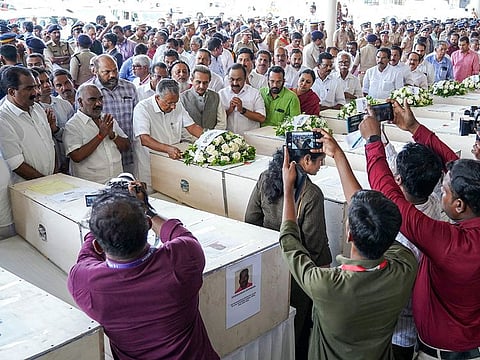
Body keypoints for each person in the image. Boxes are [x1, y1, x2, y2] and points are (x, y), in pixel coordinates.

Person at [359, 99, 480, 358]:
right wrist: (414, 127)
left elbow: (392, 198)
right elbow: (453, 167)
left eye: (445, 191)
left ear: (459, 205)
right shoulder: (467, 215)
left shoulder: (453, 243)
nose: (441, 192)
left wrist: (372, 142)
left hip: (444, 352)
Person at [279, 134, 417, 359]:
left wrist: (288, 190)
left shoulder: (327, 285)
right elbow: (376, 223)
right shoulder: (405, 266)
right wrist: (339, 155)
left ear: (350, 234)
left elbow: (289, 242)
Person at [67, 187, 220, 360]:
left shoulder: (84, 284)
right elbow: (177, 232)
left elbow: (86, 258)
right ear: (147, 225)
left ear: (99, 246)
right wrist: (145, 207)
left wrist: (99, 228)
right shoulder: (184, 257)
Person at [245, 147, 331, 360]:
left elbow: (250, 219)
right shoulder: (311, 194)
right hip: (298, 274)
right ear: (307, 159)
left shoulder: (266, 178)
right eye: (320, 160)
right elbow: (315, 247)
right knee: (298, 329)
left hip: (268, 264)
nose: (322, 165)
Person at [388, 142, 444, 360]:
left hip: (400, 322)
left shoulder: (398, 226)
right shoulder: (436, 203)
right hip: (426, 317)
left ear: (398, 179)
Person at [133, 79, 203, 190]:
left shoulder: (176, 104)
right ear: (157, 97)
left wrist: (211, 139)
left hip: (171, 165)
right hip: (149, 166)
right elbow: (144, 139)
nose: (173, 107)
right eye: (169, 103)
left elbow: (193, 127)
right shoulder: (143, 108)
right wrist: (167, 149)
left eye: (175, 102)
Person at [63, 84, 129, 184]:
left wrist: (112, 135)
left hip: (117, 182)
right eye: (92, 100)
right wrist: (100, 135)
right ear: (80, 102)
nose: (98, 103)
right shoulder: (72, 125)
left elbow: (126, 146)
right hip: (91, 186)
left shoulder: (107, 119)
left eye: (100, 99)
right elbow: (76, 156)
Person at [0, 66, 56, 183]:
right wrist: (46, 183)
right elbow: (16, 164)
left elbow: (50, 143)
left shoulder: (37, 108)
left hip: (49, 183)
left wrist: (53, 177)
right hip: (27, 188)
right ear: (11, 92)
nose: (36, 92)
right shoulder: (3, 119)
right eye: (29, 88)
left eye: (36, 86)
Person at [93, 54, 138, 173]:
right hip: (105, 158)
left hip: (130, 154)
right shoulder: (89, 92)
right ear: (95, 71)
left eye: (115, 71)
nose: (112, 75)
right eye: (106, 72)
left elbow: (137, 120)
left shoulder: (130, 88)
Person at [218, 63, 265, 136]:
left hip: (251, 139)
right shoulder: (221, 94)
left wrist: (242, 110)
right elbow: (216, 120)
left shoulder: (255, 93)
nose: (235, 83)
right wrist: (230, 110)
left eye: (238, 79)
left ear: (245, 78)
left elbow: (261, 118)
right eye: (232, 79)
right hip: (228, 140)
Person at [180, 65, 226, 130]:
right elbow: (181, 125)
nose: (201, 86)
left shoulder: (216, 96)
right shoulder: (182, 98)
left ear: (209, 81)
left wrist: (211, 137)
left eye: (205, 83)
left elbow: (222, 122)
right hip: (189, 139)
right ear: (191, 80)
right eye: (198, 82)